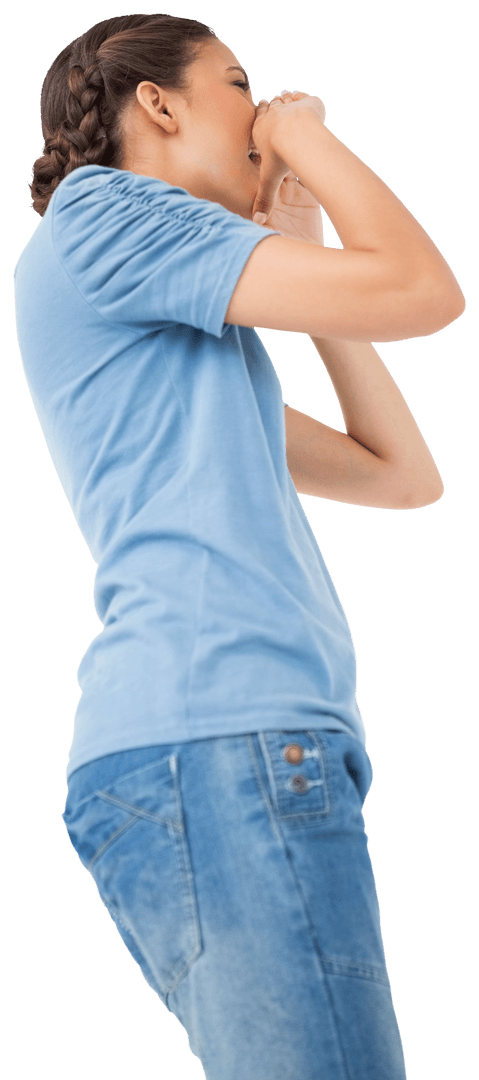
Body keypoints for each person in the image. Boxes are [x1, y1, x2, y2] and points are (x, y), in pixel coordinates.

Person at [13, 12, 465, 1080]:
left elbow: (400, 476)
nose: (254, 113)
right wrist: (302, 136)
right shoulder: (104, 213)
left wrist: (304, 261)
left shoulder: (180, 340)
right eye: (238, 84)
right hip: (223, 739)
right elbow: (425, 290)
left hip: (219, 750)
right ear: (157, 106)